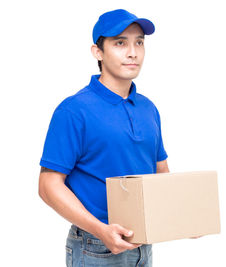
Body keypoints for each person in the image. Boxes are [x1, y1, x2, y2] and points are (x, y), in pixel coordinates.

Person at [38, 9, 169, 266]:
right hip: (94, 247)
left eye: (139, 42)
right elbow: (48, 186)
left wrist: (182, 217)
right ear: (98, 52)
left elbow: (160, 170)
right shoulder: (74, 110)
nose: (133, 52)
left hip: (144, 244)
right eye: (120, 42)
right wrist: (101, 230)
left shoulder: (148, 108)